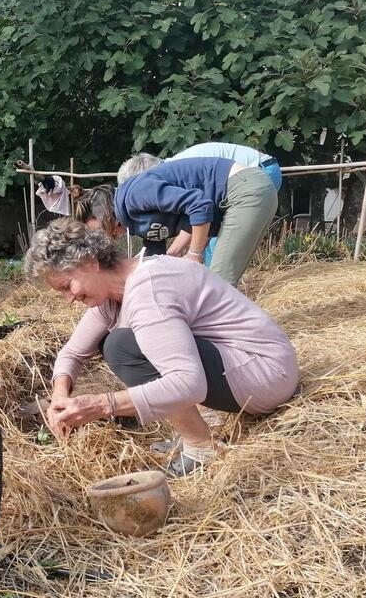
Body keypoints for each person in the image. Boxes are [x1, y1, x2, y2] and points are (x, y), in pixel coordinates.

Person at [25, 218, 298, 476]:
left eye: (66, 286)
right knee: (125, 343)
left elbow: (189, 384)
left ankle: (201, 448)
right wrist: (60, 393)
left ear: (89, 262)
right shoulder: (113, 293)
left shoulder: (148, 289)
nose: (68, 299)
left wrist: (100, 405)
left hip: (265, 374)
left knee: (122, 347)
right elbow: (72, 353)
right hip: (251, 365)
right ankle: (193, 432)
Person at [112, 152, 277, 285]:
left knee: (218, 285)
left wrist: (193, 254)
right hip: (242, 188)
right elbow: (195, 219)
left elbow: (200, 208)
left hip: (245, 187)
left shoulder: (141, 189)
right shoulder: (158, 183)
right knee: (213, 280)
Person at [164, 142, 281, 264]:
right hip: (249, 173)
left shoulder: (177, 174)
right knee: (206, 244)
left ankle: (217, 281)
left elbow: (205, 216)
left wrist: (175, 253)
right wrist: (176, 252)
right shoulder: (172, 170)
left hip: (260, 171)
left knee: (219, 245)